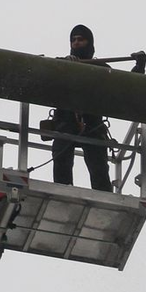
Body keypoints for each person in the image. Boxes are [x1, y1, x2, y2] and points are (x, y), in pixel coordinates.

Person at [50, 24, 113, 192]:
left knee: (98, 165)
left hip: (93, 125)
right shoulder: (61, 66)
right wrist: (64, 65)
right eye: (73, 40)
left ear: (89, 43)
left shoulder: (102, 70)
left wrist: (139, 68)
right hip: (66, 121)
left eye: (81, 39)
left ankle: (103, 194)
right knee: (61, 155)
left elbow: (127, 89)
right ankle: (63, 190)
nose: (76, 43)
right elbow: (46, 77)